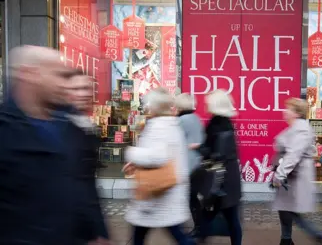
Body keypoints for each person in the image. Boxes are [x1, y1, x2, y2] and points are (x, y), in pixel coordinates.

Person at [0, 46, 109, 245]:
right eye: (59, 75)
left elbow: (84, 188)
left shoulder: (70, 126)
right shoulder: (5, 131)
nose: (64, 84)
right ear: (29, 74)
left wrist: (97, 231)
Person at [123, 88, 194, 245]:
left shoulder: (158, 126)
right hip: (165, 193)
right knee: (175, 235)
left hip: (156, 193)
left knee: (141, 236)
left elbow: (157, 156)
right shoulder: (172, 124)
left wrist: (131, 153)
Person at [272, 98, 322, 245]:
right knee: (286, 209)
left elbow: (293, 154)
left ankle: (317, 235)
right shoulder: (295, 127)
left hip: (294, 179)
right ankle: (288, 239)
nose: (285, 111)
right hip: (290, 178)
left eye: (288, 108)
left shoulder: (301, 129)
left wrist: (280, 174)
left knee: (289, 210)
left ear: (296, 113)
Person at [193, 89, 242, 245]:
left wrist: (198, 147)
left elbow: (216, 153)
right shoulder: (227, 122)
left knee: (209, 214)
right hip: (230, 177)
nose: (206, 103)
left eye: (208, 101)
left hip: (220, 178)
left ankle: (196, 240)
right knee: (229, 217)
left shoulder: (216, 124)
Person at [66, 72, 110, 244]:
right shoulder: (60, 127)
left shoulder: (87, 127)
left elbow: (88, 185)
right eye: (76, 88)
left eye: (87, 89)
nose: (83, 94)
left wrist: (99, 229)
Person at [174, 93, 205, 234]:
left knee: (189, 198)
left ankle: (198, 227)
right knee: (192, 198)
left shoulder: (181, 121)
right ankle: (199, 226)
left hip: (186, 166)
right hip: (198, 164)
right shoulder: (196, 118)